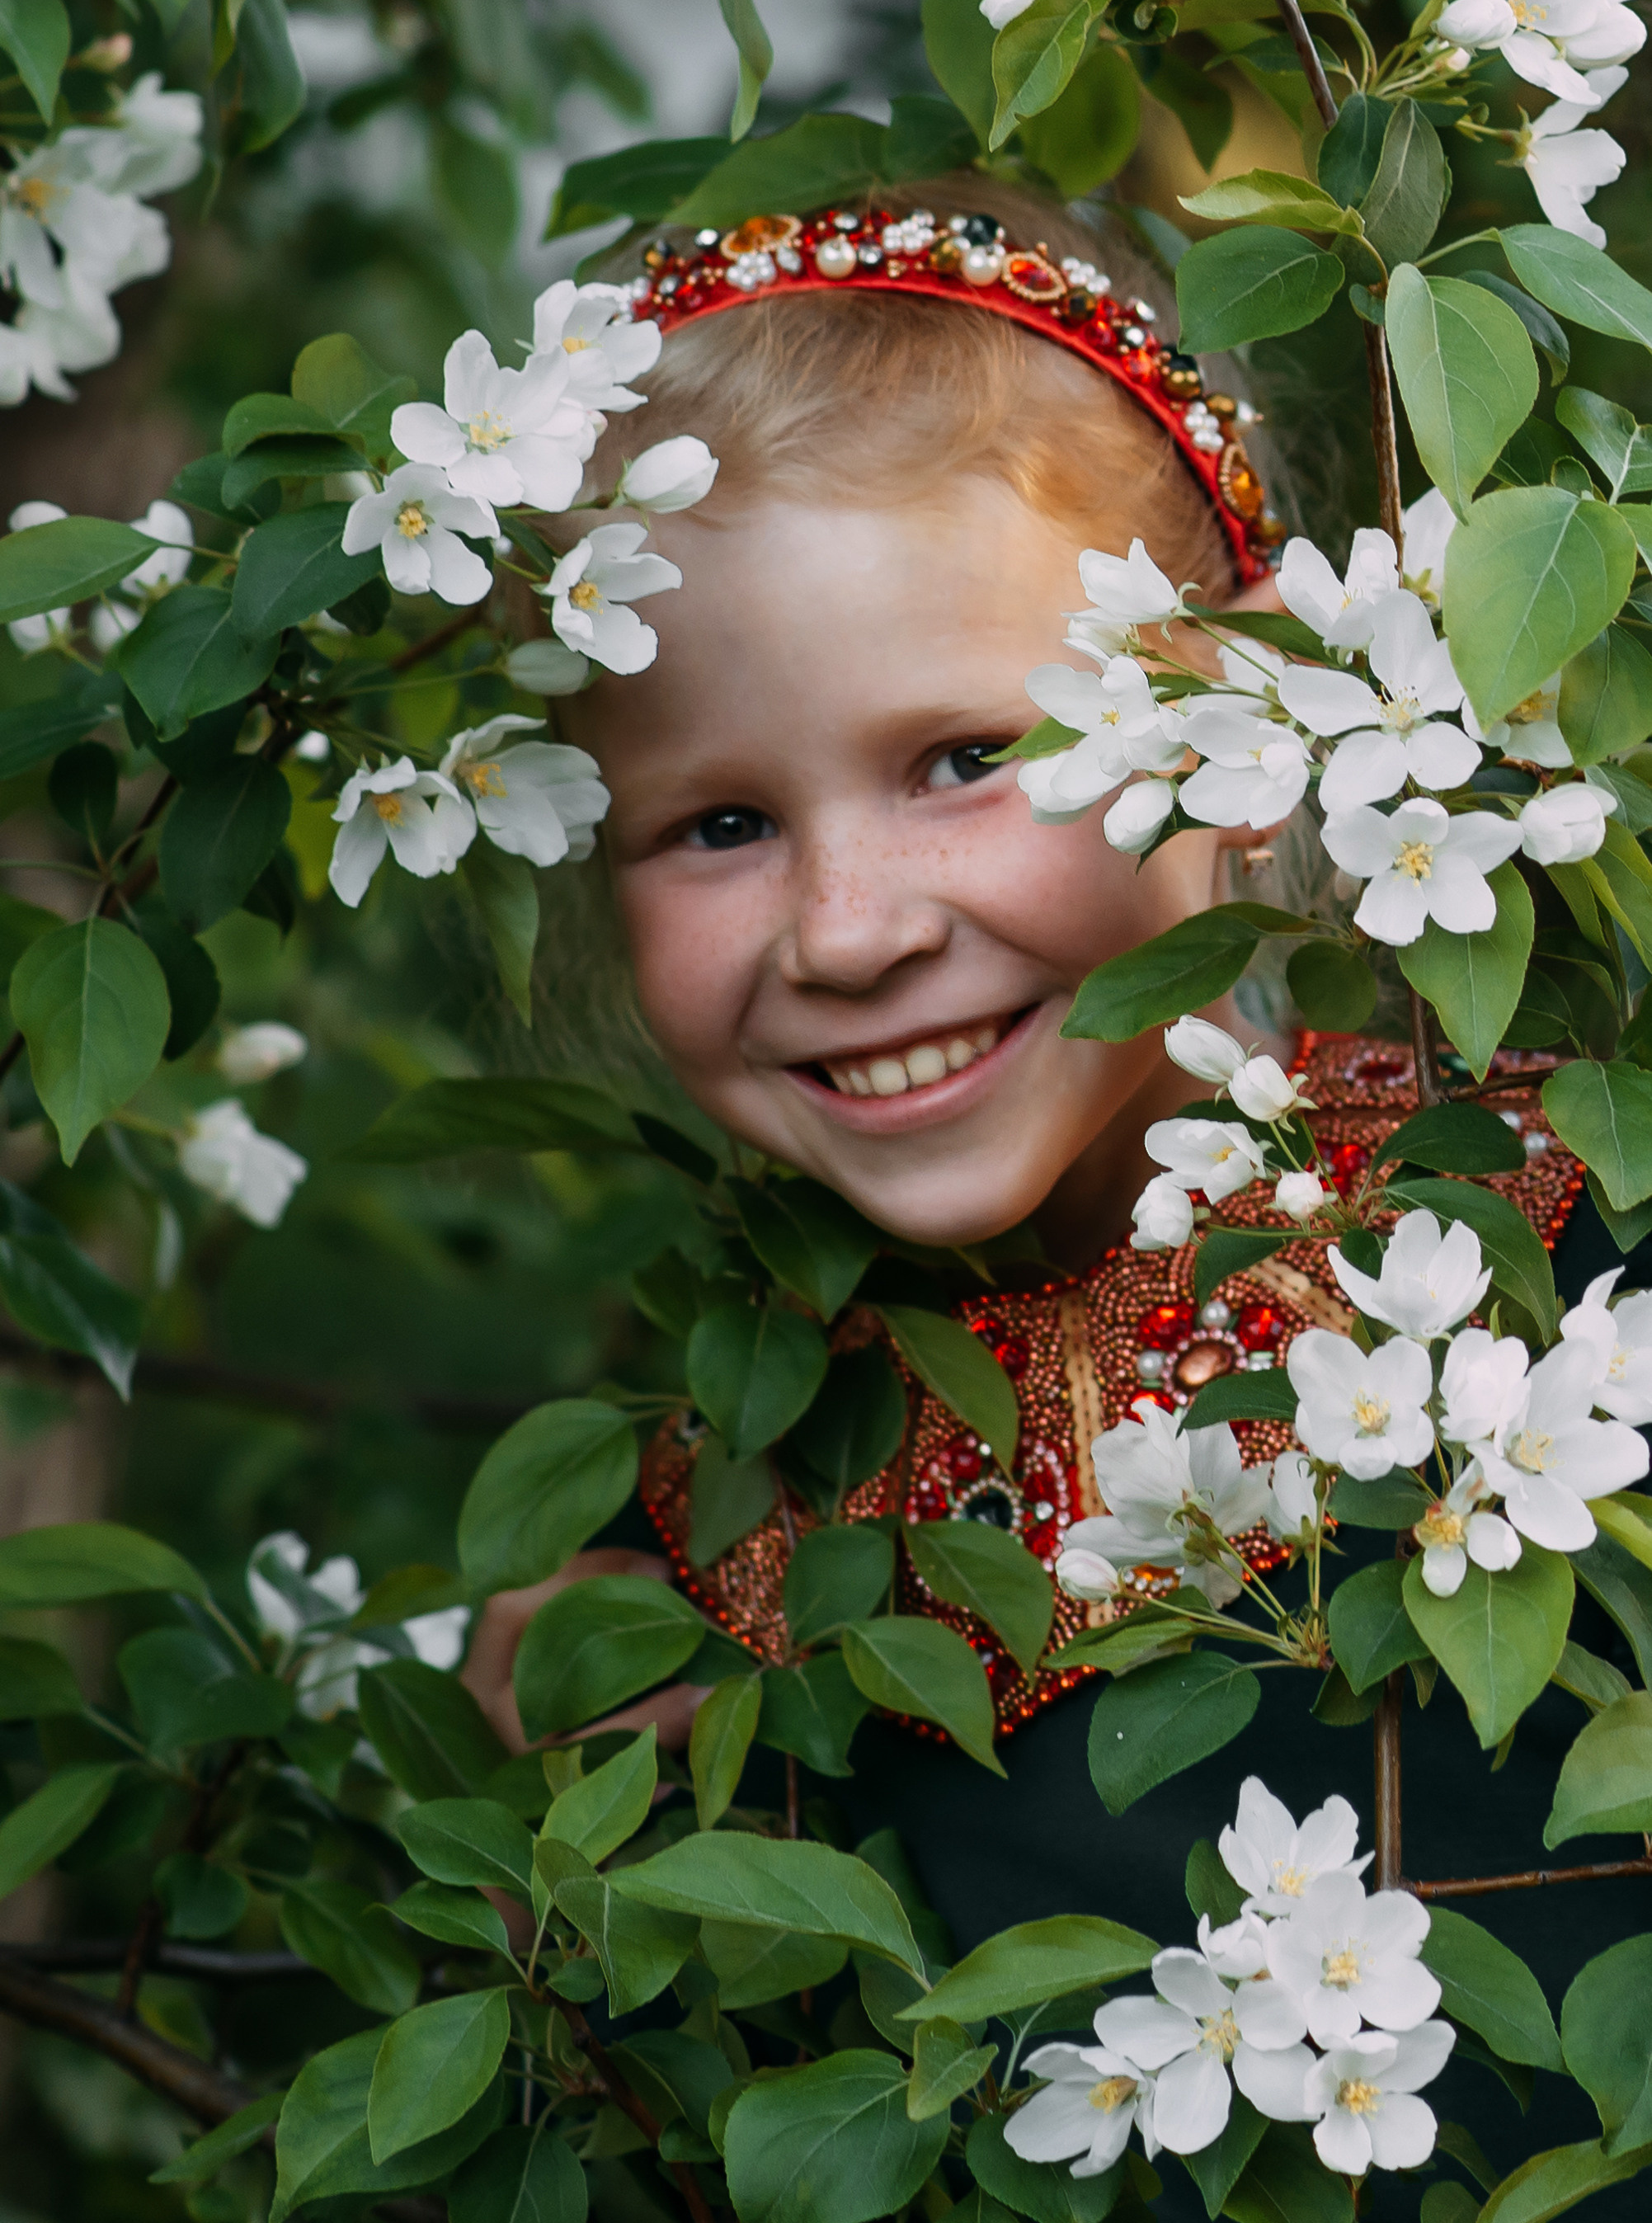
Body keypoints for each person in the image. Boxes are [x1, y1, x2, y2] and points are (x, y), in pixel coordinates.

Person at [460, 179, 1643, 2200]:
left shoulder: (1570, 1269)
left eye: (960, 759)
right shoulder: (720, 1526)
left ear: (1243, 710)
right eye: (720, 822)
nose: (847, 931)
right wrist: (568, 1793)